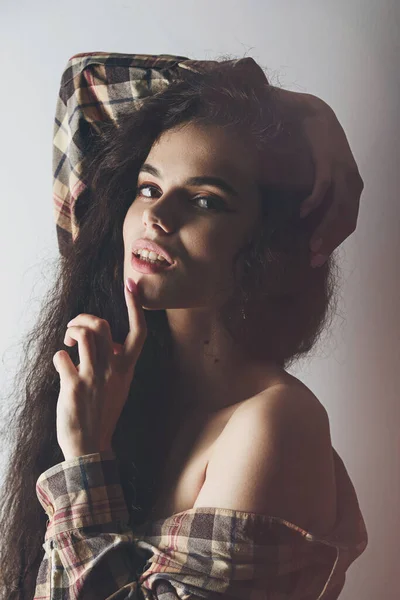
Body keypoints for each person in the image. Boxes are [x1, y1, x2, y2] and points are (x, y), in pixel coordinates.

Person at [0, 53, 367, 600]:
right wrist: (298, 109)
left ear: (269, 245)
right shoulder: (138, 394)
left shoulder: (273, 423)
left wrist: (84, 462)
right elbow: (86, 89)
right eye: (148, 187)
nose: (157, 215)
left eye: (204, 199)